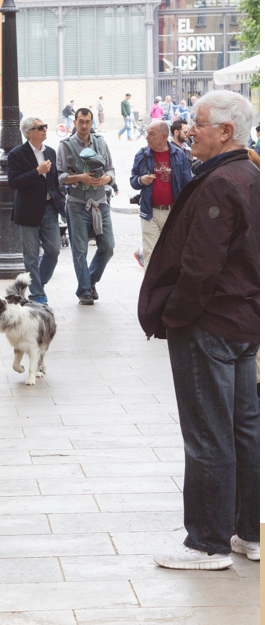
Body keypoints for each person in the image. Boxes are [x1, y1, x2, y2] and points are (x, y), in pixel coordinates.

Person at [138, 90, 260, 571]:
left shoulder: (222, 181)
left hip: (210, 323)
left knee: (210, 432)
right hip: (241, 319)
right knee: (241, 428)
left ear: (226, 132)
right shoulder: (249, 175)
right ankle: (247, 531)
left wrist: (176, 313)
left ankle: (207, 542)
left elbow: (201, 265)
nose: (190, 130)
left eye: (199, 123)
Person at [57, 107, 116, 305]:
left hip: (101, 202)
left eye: (87, 121)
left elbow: (111, 169)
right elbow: (60, 176)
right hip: (76, 203)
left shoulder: (100, 142)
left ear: (92, 123)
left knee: (108, 247)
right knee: (80, 250)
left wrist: (107, 178)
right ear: (74, 123)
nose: (84, 125)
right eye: (80, 121)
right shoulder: (65, 145)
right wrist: (79, 177)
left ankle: (90, 281)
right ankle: (84, 291)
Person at [7, 116, 65, 304]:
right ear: (28, 132)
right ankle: (37, 295)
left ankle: (37, 284)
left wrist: (60, 199)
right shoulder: (16, 154)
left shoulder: (51, 152)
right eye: (40, 127)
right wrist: (37, 172)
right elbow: (13, 182)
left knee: (53, 250)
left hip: (49, 209)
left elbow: (54, 180)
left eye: (45, 126)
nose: (44, 130)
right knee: (31, 256)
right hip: (28, 210)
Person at [130, 120, 192, 267]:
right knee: (151, 259)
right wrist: (141, 180)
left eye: (151, 134)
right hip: (149, 213)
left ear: (164, 136)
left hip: (173, 213)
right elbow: (133, 181)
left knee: (172, 257)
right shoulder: (142, 154)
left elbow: (187, 185)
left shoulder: (179, 155)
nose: (147, 137)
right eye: (147, 134)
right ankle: (150, 290)